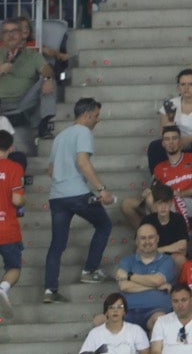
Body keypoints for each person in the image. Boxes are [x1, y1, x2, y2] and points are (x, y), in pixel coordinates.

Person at [43, 96, 115, 303]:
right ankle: (90, 270)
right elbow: (83, 162)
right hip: (78, 194)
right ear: (86, 114)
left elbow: (50, 170)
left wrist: (63, 181)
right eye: (96, 115)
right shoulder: (83, 132)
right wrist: (101, 190)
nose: (97, 120)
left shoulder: (60, 137)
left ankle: (50, 290)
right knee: (104, 224)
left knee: (57, 244)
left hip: (57, 196)